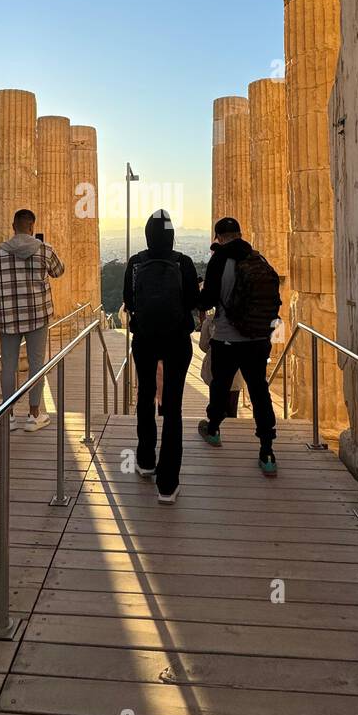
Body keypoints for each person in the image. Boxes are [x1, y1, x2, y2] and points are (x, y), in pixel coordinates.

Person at [123, 209, 200, 504]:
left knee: (145, 395)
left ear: (146, 235)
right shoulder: (184, 262)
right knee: (173, 407)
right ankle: (168, 484)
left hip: (144, 339)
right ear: (172, 236)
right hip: (177, 340)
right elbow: (194, 301)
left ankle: (145, 461)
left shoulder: (135, 263)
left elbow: (129, 302)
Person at [197, 216, 280, 475]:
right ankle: (267, 450)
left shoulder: (219, 260)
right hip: (258, 338)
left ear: (219, 238)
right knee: (259, 389)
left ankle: (213, 429)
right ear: (240, 234)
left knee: (220, 384)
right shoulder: (258, 258)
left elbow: (207, 300)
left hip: (227, 337)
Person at [0, 208, 64, 432]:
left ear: (12, 227)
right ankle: (34, 415)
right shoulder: (45, 250)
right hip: (38, 315)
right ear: (31, 227)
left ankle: (8, 416)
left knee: (8, 365)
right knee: (37, 365)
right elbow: (59, 271)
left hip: (8, 317)